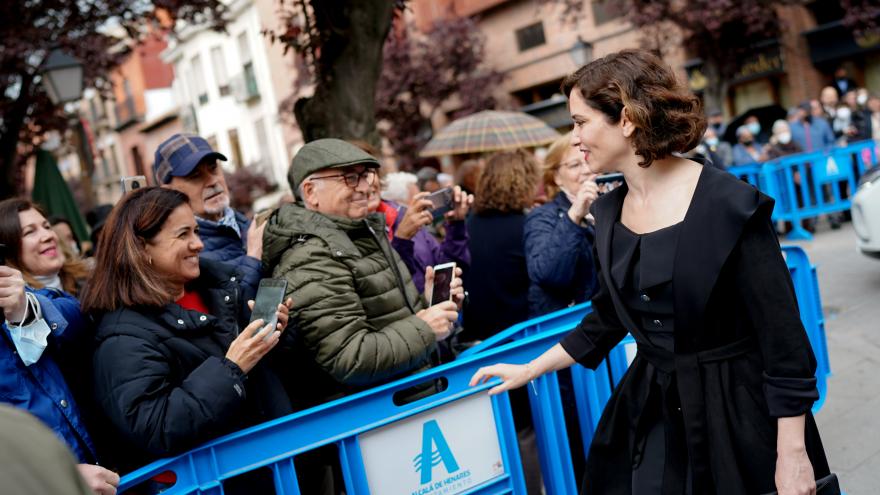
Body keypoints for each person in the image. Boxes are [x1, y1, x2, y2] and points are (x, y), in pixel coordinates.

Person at [471, 49, 829, 494]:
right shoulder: (607, 213)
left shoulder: (728, 204)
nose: (574, 137)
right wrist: (531, 368)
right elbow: (604, 320)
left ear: (626, 119)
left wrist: (792, 453)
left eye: (580, 122)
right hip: (653, 410)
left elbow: (784, 340)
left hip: (739, 414)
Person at [80, 187, 293, 473]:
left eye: (195, 231)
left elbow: (270, 378)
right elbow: (157, 427)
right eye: (183, 235)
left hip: (278, 465)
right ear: (142, 249)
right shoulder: (121, 338)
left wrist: (277, 335)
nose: (198, 244)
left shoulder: (221, 289)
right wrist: (231, 367)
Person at [262, 138, 463, 409]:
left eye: (366, 175)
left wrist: (430, 304)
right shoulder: (311, 257)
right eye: (350, 178)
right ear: (311, 192)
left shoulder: (362, 232)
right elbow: (350, 357)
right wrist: (425, 327)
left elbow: (387, 318)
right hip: (382, 420)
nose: (366, 186)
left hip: (411, 402)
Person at [0, 198, 118, 494]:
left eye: (46, 226)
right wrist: (57, 472)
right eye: (29, 232)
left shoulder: (85, 281)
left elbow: (75, 314)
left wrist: (28, 307)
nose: (47, 235)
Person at [154, 133, 264, 294]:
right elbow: (228, 313)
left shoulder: (251, 226)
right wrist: (254, 257)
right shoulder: (184, 257)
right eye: (195, 176)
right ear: (169, 192)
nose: (212, 181)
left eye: (213, 168)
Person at [464, 149, 538, 342]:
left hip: (479, 337)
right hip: (520, 335)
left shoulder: (469, 223)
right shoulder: (526, 225)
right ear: (524, 182)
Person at [524, 133, 598, 318]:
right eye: (574, 165)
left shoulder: (610, 206)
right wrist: (574, 216)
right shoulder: (541, 216)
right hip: (568, 326)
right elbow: (548, 274)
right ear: (556, 177)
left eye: (589, 160)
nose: (586, 170)